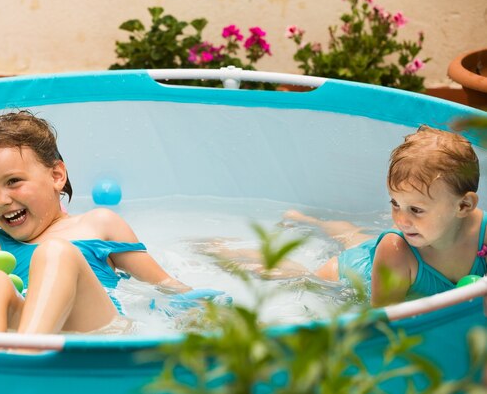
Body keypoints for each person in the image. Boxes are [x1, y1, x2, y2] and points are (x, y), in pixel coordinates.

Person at [0, 110, 197, 335]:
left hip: (99, 333)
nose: (1, 200)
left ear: (56, 176)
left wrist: (207, 309)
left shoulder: (98, 224)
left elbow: (163, 283)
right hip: (28, 331)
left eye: (13, 181)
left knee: (56, 251)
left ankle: (26, 354)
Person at [204, 126, 487, 307]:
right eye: (395, 204)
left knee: (354, 238)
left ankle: (310, 221)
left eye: (416, 209)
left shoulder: (483, 233)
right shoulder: (397, 249)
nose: (400, 219)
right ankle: (220, 249)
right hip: (354, 271)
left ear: (463, 206)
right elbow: (384, 324)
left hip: (374, 252)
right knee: (300, 276)